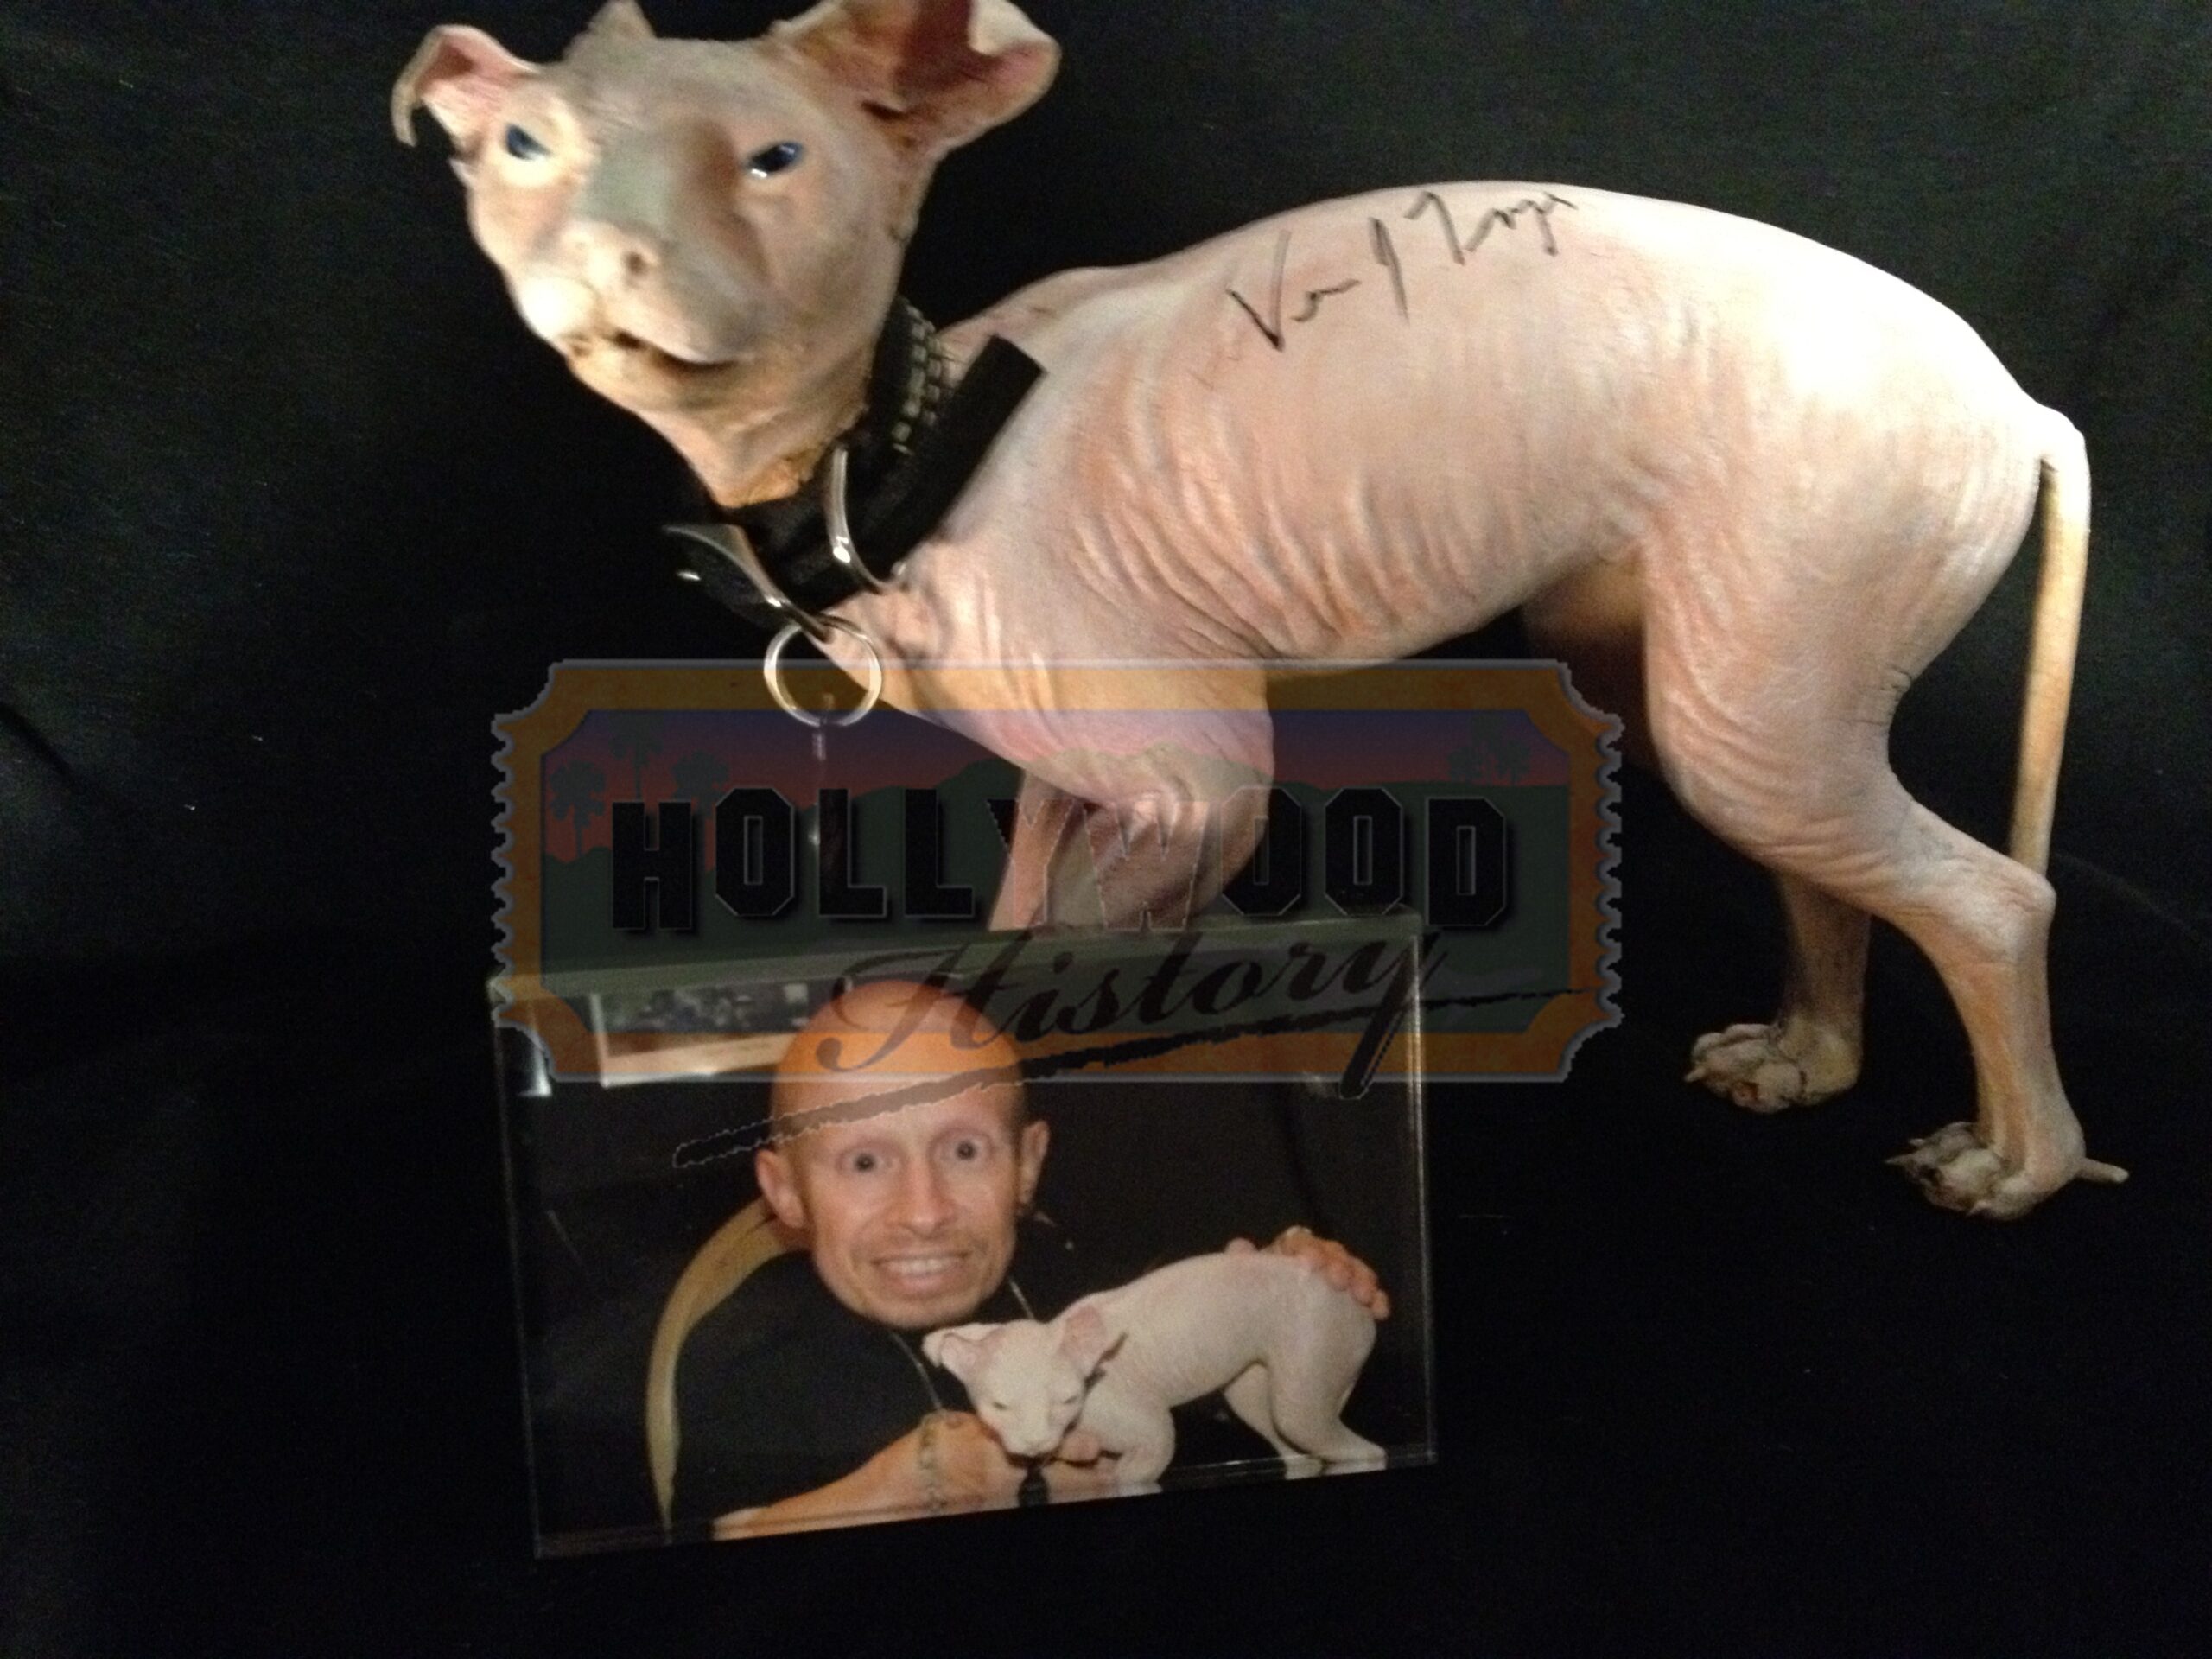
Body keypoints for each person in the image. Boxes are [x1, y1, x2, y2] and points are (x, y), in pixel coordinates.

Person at [671, 978, 1390, 1538]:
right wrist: (899, 1491)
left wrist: (1279, 1294)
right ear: (786, 1191)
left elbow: (1196, 1405)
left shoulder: (1060, 1271)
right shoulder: (748, 1355)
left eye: (964, 1151)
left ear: (1026, 1165)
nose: (924, 1211)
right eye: (864, 1162)